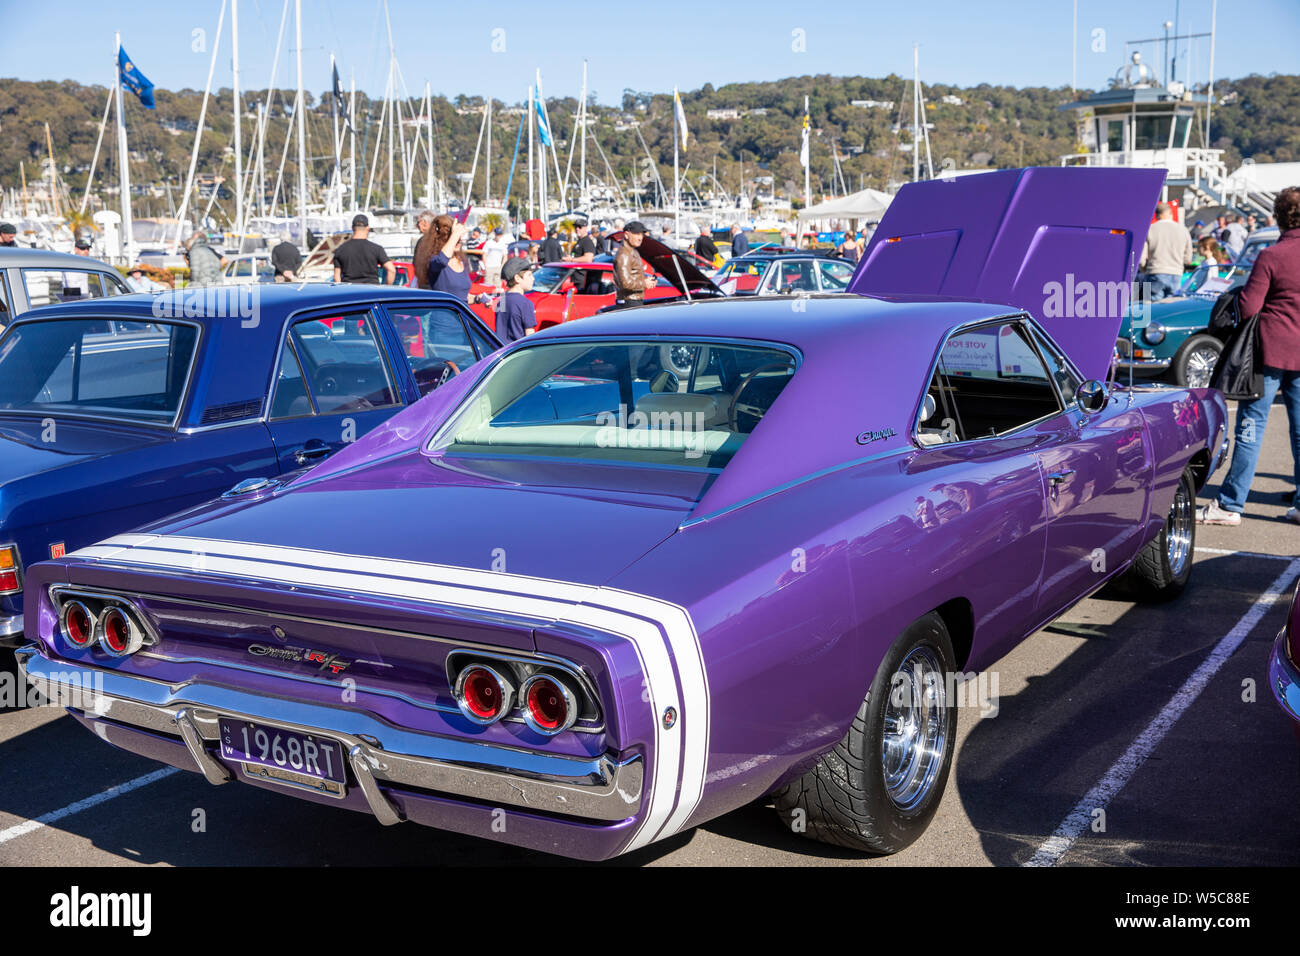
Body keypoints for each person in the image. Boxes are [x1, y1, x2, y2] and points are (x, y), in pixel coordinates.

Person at [1199, 187, 1300, 526]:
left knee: (1250, 427)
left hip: (1269, 351)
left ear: (1281, 217)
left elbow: (1249, 307)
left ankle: (1230, 504)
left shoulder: (1272, 256)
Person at [426, 214, 491, 308]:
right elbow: (442, 260)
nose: (459, 240)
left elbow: (461, 297)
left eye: (459, 238)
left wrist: (478, 298)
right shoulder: (434, 260)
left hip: (460, 321)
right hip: (442, 321)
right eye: (454, 237)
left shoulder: (462, 262)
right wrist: (455, 234)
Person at [1139, 202, 1193, 301]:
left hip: (1155, 271)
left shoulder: (1150, 229)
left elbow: (1141, 257)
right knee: (1171, 310)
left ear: (1157, 215)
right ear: (1170, 213)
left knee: (1151, 308)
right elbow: (1188, 257)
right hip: (1176, 272)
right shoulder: (1183, 230)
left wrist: (1143, 269)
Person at [333, 214, 394, 285]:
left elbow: (336, 278)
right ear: (367, 228)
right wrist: (385, 290)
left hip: (349, 291)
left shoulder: (340, 250)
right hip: (371, 292)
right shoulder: (376, 249)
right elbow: (391, 270)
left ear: (352, 228)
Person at [613, 220, 656, 305]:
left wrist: (647, 281)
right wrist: (644, 283)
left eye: (641, 234)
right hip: (629, 302)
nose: (640, 238)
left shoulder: (632, 251)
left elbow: (633, 277)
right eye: (637, 234)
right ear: (626, 234)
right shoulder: (624, 254)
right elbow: (625, 283)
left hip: (633, 300)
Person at [495, 257, 537, 343]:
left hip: (501, 349)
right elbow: (530, 336)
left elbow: (500, 325)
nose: (533, 278)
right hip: (517, 352)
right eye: (529, 275)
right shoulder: (526, 303)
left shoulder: (501, 299)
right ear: (517, 278)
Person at [412, 210, 436, 289]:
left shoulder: (423, 241)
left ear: (424, 223)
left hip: (426, 284)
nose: (417, 225)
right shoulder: (440, 239)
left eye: (418, 222)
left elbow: (416, 263)